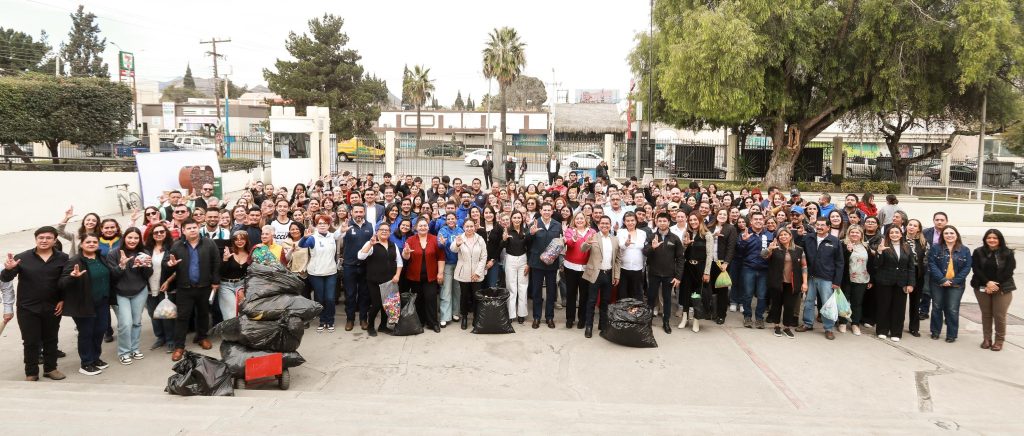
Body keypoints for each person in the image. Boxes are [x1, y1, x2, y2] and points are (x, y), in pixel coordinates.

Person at [2, 226, 70, 381]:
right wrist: (8, 269)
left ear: (55, 240)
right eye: (41, 237)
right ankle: (31, 372)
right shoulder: (22, 257)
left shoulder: (63, 258)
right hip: (27, 308)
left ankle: (51, 369)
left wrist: (62, 299)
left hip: (53, 307)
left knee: (51, 339)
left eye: (48, 238)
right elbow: (6, 278)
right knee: (30, 341)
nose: (44, 240)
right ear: (36, 239)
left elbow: (65, 281)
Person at [59, 233, 118, 375]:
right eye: (88, 242)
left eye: (94, 242)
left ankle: (95, 358)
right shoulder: (75, 261)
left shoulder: (100, 257)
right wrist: (72, 277)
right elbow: (61, 283)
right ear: (81, 244)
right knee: (86, 332)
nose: (91, 244)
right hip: (84, 303)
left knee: (100, 329)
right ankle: (86, 363)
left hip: (102, 301)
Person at [164, 219, 221, 362]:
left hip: (204, 286)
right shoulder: (176, 246)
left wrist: (215, 281)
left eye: (194, 227)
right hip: (184, 288)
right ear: (183, 230)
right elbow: (168, 265)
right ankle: (179, 346)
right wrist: (170, 265)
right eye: (189, 228)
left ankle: (202, 337)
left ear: (199, 227)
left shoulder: (209, 243)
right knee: (182, 317)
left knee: (203, 314)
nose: (192, 230)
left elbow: (216, 262)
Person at [109, 228, 152, 366]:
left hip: (140, 291)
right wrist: (121, 265)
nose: (133, 240)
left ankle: (134, 349)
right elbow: (112, 276)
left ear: (140, 239)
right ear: (124, 238)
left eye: (136, 238)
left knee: (136, 322)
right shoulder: (114, 253)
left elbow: (148, 275)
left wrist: (145, 266)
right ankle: (124, 352)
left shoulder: (144, 253)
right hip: (121, 293)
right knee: (125, 323)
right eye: (130, 237)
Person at [797, 220, 845, 340]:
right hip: (810, 276)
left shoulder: (834, 241)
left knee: (827, 303)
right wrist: (798, 236)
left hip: (827, 278)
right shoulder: (808, 238)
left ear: (828, 227)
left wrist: (837, 281)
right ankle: (808, 323)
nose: (819, 227)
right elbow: (798, 249)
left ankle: (828, 328)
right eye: (817, 225)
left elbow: (840, 262)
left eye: (822, 225)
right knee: (808, 301)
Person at [970, 229, 1015, 351]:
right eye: (989, 238)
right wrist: (988, 283)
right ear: (985, 239)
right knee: (986, 314)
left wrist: (995, 285)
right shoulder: (978, 252)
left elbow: (1009, 272)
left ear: (1000, 239)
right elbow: (976, 269)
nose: (992, 240)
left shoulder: (1008, 253)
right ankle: (987, 339)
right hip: (982, 287)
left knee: (999, 315)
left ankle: (999, 340)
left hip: (1003, 288)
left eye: (995, 238)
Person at [357, 224, 403, 337]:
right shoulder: (371, 243)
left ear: (390, 233)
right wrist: (370, 244)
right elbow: (360, 256)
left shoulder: (393, 245)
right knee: (376, 304)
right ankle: (370, 326)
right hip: (374, 280)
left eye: (387, 230)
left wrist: (397, 275)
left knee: (387, 305)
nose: (384, 232)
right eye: (382, 230)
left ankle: (383, 326)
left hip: (390, 281)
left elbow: (399, 262)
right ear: (377, 232)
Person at [871, 226, 915, 342]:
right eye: (891, 232)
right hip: (884, 281)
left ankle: (896, 332)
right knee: (883, 306)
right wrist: (879, 252)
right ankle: (882, 330)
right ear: (888, 235)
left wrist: (910, 283)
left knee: (899, 308)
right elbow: (877, 265)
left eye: (897, 232)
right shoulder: (883, 246)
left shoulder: (906, 247)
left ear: (901, 234)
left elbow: (911, 267)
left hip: (901, 282)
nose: (894, 234)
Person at [927, 225, 971, 343]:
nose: (949, 235)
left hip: (956, 285)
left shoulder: (965, 250)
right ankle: (935, 332)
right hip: (937, 283)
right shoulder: (935, 248)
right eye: (946, 233)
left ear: (956, 235)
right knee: (937, 307)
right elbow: (931, 264)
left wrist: (953, 281)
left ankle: (951, 334)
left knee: (952, 309)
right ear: (942, 236)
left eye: (952, 233)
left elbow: (967, 268)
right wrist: (942, 280)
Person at [301, 215, 343, 332]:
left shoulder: (333, 236)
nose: (322, 225)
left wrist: (343, 227)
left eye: (325, 223)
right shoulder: (313, 238)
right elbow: (302, 245)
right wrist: (304, 238)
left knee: (330, 298)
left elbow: (341, 232)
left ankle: (330, 321)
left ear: (329, 225)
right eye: (320, 223)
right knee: (320, 298)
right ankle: (322, 320)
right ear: (316, 225)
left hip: (331, 272)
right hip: (315, 273)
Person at [644, 212, 684, 334]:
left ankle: (666, 322)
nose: (662, 223)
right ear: (656, 222)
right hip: (654, 273)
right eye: (659, 221)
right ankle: (648, 321)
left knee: (667, 299)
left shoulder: (675, 238)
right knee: (651, 298)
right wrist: (653, 247)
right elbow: (645, 252)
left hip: (669, 275)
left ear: (669, 222)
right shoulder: (651, 236)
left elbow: (680, 258)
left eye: (664, 221)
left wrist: (678, 276)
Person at [402, 219, 445, 333]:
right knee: (418, 300)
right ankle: (420, 322)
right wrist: (406, 252)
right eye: (420, 226)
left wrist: (440, 273)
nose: (423, 227)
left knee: (431, 299)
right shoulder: (410, 240)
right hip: (415, 276)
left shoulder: (435, 239)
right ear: (416, 228)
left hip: (431, 276)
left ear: (428, 227)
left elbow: (441, 257)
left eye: (425, 225)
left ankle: (433, 323)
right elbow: (406, 257)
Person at [763, 228, 806, 339]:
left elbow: (804, 267)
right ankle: (776, 326)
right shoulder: (774, 248)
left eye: (785, 234)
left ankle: (786, 327)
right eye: (780, 235)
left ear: (790, 236)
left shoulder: (799, 250)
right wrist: (769, 249)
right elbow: (763, 255)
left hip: (792, 283)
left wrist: (805, 283)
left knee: (789, 306)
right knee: (776, 305)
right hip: (777, 282)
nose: (783, 237)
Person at [581, 216, 620, 338]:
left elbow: (617, 259)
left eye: (607, 223)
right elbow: (583, 249)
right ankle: (589, 326)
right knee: (591, 301)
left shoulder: (615, 239)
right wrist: (587, 243)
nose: (604, 225)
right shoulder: (593, 236)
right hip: (595, 274)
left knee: (605, 301)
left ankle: (603, 326)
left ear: (610, 225)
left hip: (608, 274)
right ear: (598, 225)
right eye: (602, 223)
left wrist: (616, 275)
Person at [527, 203, 563, 329]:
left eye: (549, 210)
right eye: (545, 210)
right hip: (537, 263)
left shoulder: (557, 225)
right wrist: (531, 233)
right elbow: (527, 242)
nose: (547, 212)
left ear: (552, 212)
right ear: (541, 211)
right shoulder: (534, 224)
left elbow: (560, 243)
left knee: (551, 292)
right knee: (537, 291)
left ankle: (549, 317)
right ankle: (536, 317)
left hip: (552, 263)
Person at [737, 212, 773, 328]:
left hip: (764, 270)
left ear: (764, 221)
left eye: (760, 219)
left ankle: (759, 318)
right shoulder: (744, 234)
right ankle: (747, 316)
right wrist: (744, 241)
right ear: (751, 221)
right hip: (749, 268)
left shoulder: (769, 235)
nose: (758, 221)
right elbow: (739, 253)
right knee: (747, 294)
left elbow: (773, 252)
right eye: (755, 219)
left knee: (762, 295)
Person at [143, 223, 175, 353]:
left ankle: (171, 339)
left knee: (166, 314)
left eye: (162, 231)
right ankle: (160, 337)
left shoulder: (172, 247)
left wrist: (168, 281)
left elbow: (178, 268)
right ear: (152, 235)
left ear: (166, 233)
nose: (159, 234)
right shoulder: (146, 249)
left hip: (165, 285)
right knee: (153, 313)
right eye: (156, 232)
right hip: (150, 286)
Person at [341, 204, 374, 331]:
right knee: (350, 294)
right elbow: (337, 237)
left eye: (361, 211)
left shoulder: (370, 226)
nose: (359, 214)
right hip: (349, 265)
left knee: (364, 294)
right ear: (351, 213)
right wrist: (341, 231)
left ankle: (363, 319)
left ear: (364, 213)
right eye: (356, 212)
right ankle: (350, 319)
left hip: (366, 265)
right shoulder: (346, 225)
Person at [452, 219, 488, 330]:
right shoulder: (460, 238)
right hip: (463, 273)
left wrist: (478, 272)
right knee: (464, 296)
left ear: (475, 227)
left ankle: (476, 317)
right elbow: (452, 249)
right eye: (467, 226)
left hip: (477, 273)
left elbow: (484, 256)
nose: (469, 228)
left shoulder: (480, 239)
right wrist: (457, 244)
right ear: (463, 227)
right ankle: (464, 317)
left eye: (471, 226)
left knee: (477, 296)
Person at [563, 212, 596, 329]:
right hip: (570, 267)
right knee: (571, 294)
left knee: (584, 295)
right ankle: (570, 318)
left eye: (582, 218)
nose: (579, 220)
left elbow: (594, 248)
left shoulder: (592, 232)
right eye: (577, 218)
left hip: (586, 268)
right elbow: (568, 244)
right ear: (574, 220)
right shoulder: (569, 231)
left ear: (585, 220)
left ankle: (582, 319)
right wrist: (573, 239)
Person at [707, 209, 737, 324]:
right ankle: (712, 312)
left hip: (722, 264)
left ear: (728, 216)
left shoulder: (731, 228)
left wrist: (726, 262)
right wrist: (713, 235)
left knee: (722, 289)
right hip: (710, 262)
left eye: (725, 214)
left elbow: (731, 247)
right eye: (720, 214)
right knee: (711, 288)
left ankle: (721, 314)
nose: (722, 216)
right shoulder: (710, 227)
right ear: (716, 215)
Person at [840, 225, 870, 336]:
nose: (854, 234)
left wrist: (871, 279)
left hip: (862, 279)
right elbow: (840, 262)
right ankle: (842, 322)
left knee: (857, 302)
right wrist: (848, 251)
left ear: (861, 235)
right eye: (852, 232)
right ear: (848, 233)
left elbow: (870, 263)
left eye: (857, 232)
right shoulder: (843, 244)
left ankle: (855, 324)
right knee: (844, 301)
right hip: (846, 278)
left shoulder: (866, 246)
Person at [437, 212, 464, 327]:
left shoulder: (460, 230)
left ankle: (455, 312)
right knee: (446, 290)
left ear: (456, 219)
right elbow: (439, 245)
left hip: (459, 263)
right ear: (446, 220)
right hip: (447, 263)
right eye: (448, 219)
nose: (451, 221)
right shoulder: (442, 230)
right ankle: (445, 316)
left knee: (457, 289)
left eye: (453, 218)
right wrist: (442, 244)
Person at [920, 212, 949, 320]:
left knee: (945, 290)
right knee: (926, 289)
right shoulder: (925, 232)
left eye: (942, 220)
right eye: (937, 220)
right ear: (933, 221)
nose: (939, 222)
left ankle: (947, 315)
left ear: (946, 221)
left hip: (945, 266)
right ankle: (924, 311)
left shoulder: (950, 232)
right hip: (928, 264)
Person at [503, 211, 530, 323]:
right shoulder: (507, 231)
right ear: (511, 219)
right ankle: (511, 314)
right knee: (511, 287)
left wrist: (529, 263)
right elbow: (502, 246)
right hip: (510, 259)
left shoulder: (526, 231)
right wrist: (504, 239)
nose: (517, 219)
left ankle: (522, 314)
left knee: (523, 287)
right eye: (514, 217)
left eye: (519, 217)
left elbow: (530, 247)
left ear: (522, 219)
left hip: (523, 259)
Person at [219, 231, 251, 320]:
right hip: (226, 286)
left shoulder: (250, 253)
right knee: (231, 315)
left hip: (241, 285)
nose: (239, 241)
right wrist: (225, 259)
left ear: (246, 240)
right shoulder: (228, 251)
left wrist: (243, 288)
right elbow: (220, 272)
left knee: (242, 313)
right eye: (236, 239)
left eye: (242, 239)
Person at [616, 212, 647, 301]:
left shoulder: (642, 233)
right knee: (623, 293)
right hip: (623, 267)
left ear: (636, 221)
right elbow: (619, 247)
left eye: (632, 220)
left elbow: (644, 248)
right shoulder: (620, 232)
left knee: (637, 293)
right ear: (624, 222)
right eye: (628, 221)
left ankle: (636, 309)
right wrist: (626, 244)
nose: (630, 223)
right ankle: (623, 310)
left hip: (638, 268)